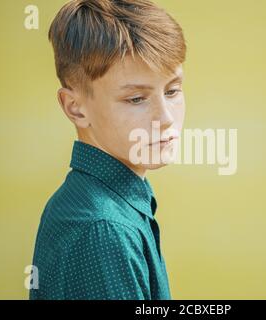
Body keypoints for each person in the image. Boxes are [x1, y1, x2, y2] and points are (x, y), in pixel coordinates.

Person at [30, 0, 186, 300]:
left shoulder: (110, 203)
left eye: (172, 91)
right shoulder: (103, 230)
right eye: (136, 99)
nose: (166, 118)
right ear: (75, 108)